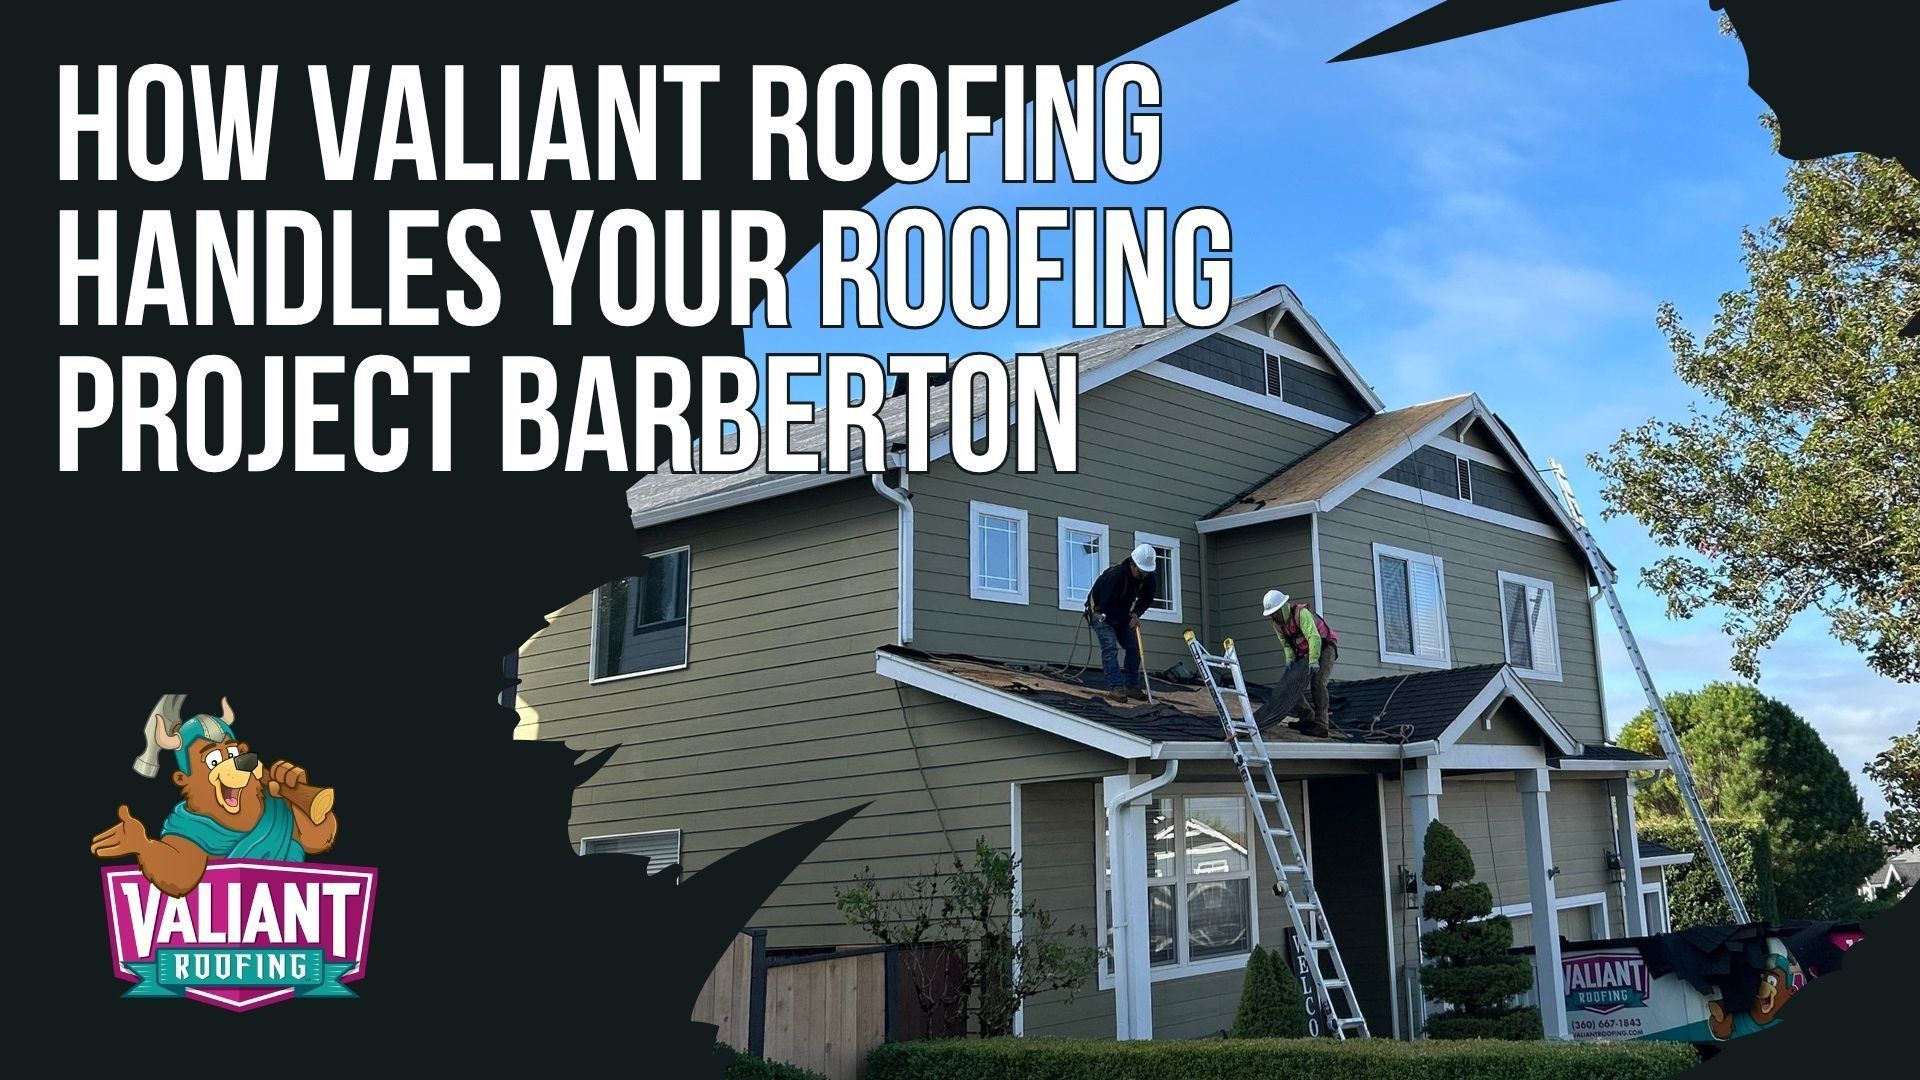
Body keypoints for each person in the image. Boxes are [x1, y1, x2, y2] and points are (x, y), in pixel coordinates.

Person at [1255, 589, 1339, 737]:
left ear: (1283, 608)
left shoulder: (1301, 614)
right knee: (1290, 685)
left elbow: (1314, 637)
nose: (1274, 616)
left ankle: (1321, 725)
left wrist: (1314, 660)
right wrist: (1290, 659)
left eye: (1276, 612)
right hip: (1305, 652)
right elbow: (1286, 643)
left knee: (1318, 682)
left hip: (1325, 646)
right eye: (1271, 614)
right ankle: (1307, 717)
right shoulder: (1277, 624)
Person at [1084, 543, 1159, 704]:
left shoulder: (1148, 577)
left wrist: (1136, 614)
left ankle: (1131, 686)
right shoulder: (1116, 575)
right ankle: (1117, 687)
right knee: (1110, 647)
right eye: (1141, 572)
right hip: (1101, 613)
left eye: (1146, 572)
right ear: (1133, 564)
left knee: (1134, 648)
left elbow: (1147, 598)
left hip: (1121, 615)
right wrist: (1125, 618)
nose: (1143, 576)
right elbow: (1106, 603)